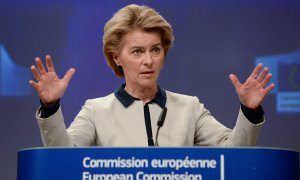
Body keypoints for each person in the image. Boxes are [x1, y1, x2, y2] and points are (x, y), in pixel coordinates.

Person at [29, 4, 275, 147]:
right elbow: (63, 161)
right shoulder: (96, 111)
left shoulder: (190, 108)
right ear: (116, 57)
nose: (148, 60)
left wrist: (249, 112)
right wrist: (50, 107)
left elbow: (232, 157)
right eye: (137, 51)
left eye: (155, 50)